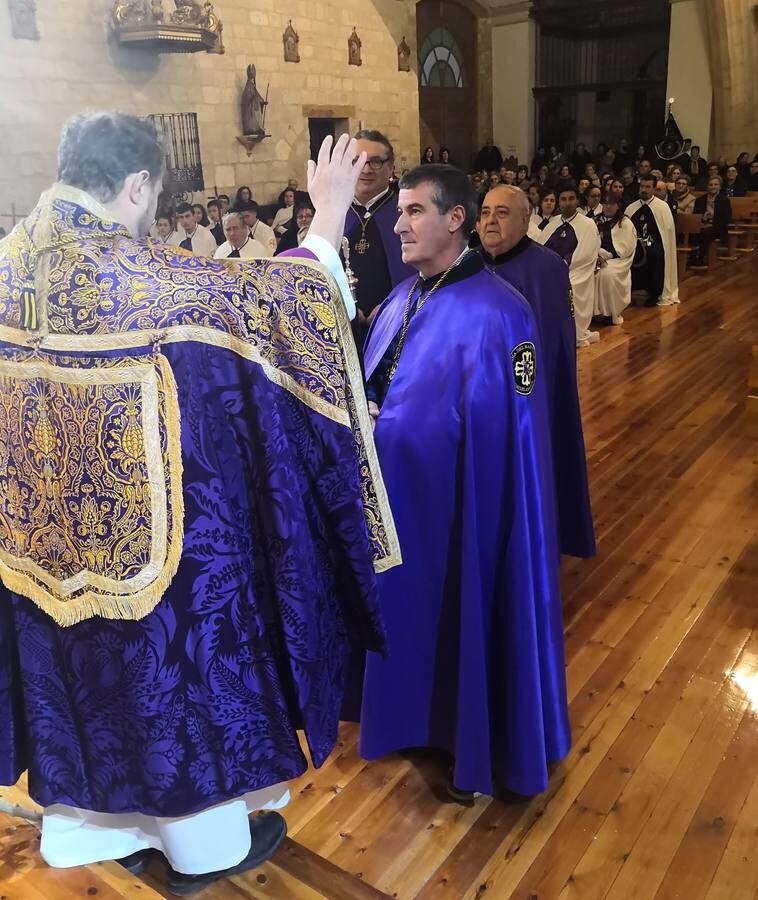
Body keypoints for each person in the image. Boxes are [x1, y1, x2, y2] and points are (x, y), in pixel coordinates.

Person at [0, 114, 400, 894]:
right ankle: (200, 846)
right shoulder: (150, 284)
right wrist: (326, 218)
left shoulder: (5, 269)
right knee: (172, 673)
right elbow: (280, 303)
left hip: (34, 546)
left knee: (71, 686)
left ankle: (81, 830)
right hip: (149, 555)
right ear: (138, 184)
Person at [359, 164, 571, 799]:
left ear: (456, 220)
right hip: (400, 502)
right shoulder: (402, 298)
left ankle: (471, 740)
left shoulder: (499, 314)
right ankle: (411, 720)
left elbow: (512, 438)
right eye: (399, 211)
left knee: (466, 611)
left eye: (415, 211)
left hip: (466, 508)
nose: (399, 224)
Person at [476, 184, 595, 559]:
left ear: (526, 220)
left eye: (502, 213)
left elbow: (552, 346)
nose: (490, 221)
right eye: (484, 212)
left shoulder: (546, 268)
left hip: (525, 399)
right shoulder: (467, 264)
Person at [343, 129, 414, 337]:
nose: (365, 169)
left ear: (391, 167)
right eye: (358, 161)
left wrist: (392, 307)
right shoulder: (334, 213)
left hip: (396, 327)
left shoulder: (407, 214)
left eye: (375, 162)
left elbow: (420, 273)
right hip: (342, 328)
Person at [535, 185, 601, 348]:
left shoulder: (588, 224)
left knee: (565, 287)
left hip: (575, 272)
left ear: (577, 201)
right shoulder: (552, 224)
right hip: (549, 271)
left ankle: (568, 332)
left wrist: (560, 266)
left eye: (571, 199)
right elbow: (540, 248)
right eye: (563, 199)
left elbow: (585, 255)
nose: (567, 203)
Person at [626, 173, 680, 307]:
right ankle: (631, 291)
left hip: (655, 243)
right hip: (635, 244)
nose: (644, 189)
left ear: (654, 189)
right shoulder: (631, 208)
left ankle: (654, 293)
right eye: (642, 186)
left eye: (648, 187)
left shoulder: (662, 207)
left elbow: (666, 233)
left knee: (656, 254)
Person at [593, 191, 636, 325]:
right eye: (605, 204)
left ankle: (607, 313)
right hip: (594, 256)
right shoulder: (594, 220)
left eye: (612, 204)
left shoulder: (625, 223)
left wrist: (606, 255)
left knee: (606, 274)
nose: (608, 207)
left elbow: (625, 248)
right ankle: (589, 313)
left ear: (618, 205)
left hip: (616, 260)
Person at [692, 175, 732, 264]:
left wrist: (712, 219)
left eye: (715, 184)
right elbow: (696, 216)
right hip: (702, 225)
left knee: (706, 232)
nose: (713, 187)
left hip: (718, 227)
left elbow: (727, 218)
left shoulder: (724, 200)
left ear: (720, 187)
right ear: (707, 186)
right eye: (710, 185)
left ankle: (701, 257)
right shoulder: (700, 200)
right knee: (694, 231)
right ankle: (693, 257)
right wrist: (703, 218)